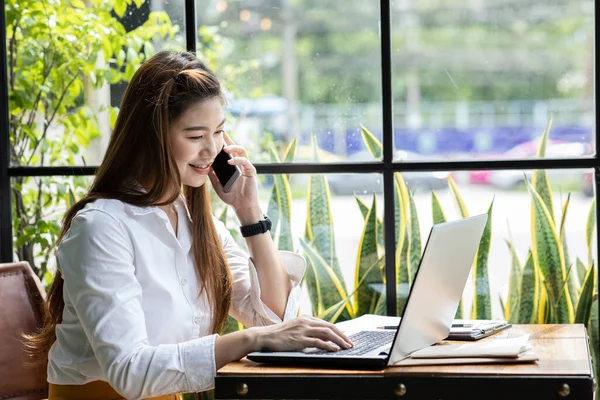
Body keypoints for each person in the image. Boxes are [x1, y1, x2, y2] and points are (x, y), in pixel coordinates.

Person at [25, 51, 353, 400]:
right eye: (196, 136)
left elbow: (270, 320)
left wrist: (249, 212)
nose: (212, 149)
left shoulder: (197, 223)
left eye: (219, 132)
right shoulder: (101, 227)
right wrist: (250, 340)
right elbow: (130, 371)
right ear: (150, 136)